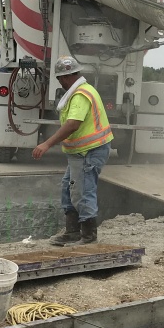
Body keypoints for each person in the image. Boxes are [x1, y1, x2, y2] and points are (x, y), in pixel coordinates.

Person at [32, 55, 113, 246]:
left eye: (60, 78)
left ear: (66, 77)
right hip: (80, 153)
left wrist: (46, 144)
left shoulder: (80, 95)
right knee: (68, 188)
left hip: (90, 151)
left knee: (82, 192)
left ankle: (88, 236)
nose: (60, 82)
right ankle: (73, 232)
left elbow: (72, 124)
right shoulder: (79, 91)